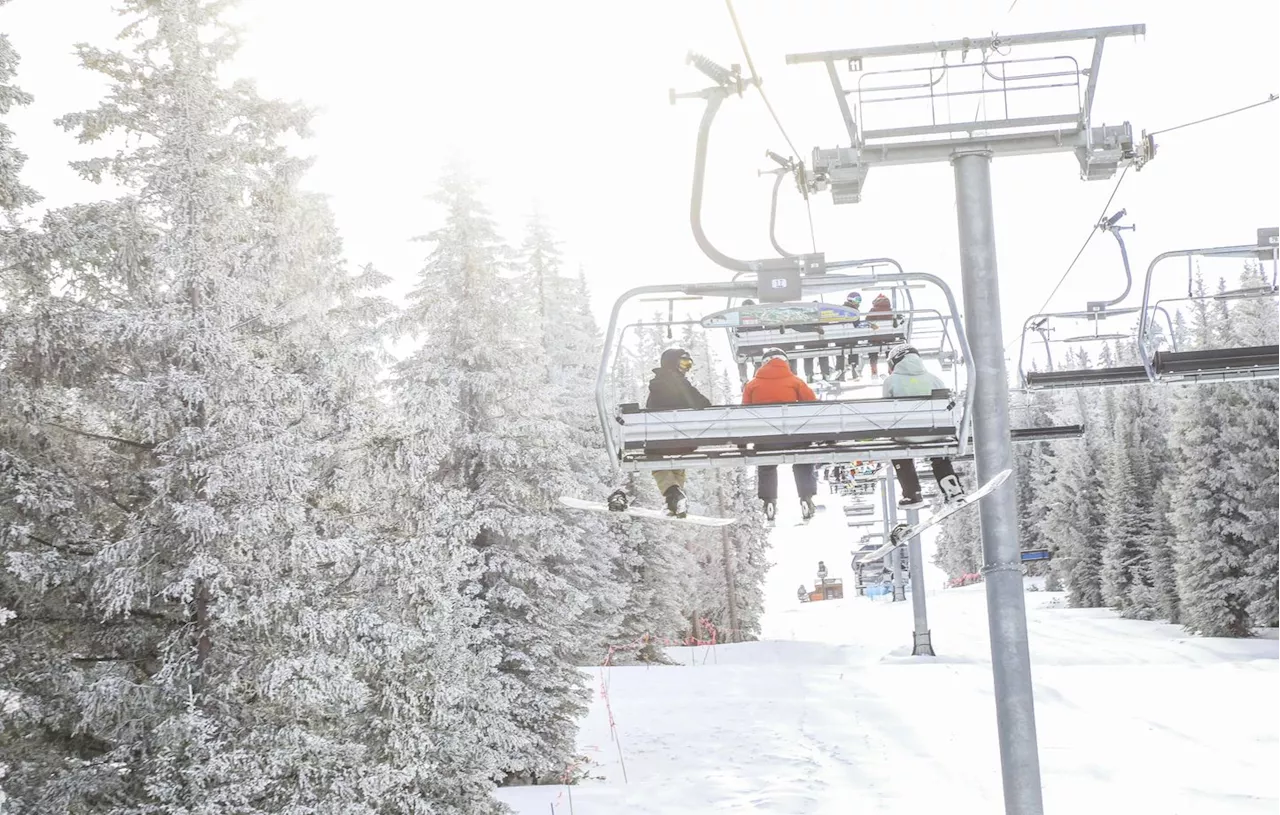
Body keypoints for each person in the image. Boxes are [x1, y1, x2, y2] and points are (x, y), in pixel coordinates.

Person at [882, 344, 965, 508]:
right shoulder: (935, 379)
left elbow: (886, 411)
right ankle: (953, 490)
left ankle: (912, 494)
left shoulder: (890, 381)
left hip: (906, 435)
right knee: (939, 451)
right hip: (937, 432)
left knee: (899, 451)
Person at [742, 347, 819, 521]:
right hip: (794, 438)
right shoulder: (795, 381)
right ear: (785, 362)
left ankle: (769, 501)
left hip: (766, 440)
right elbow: (813, 405)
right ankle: (806, 497)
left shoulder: (752, 384)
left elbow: (744, 412)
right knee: (802, 461)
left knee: (767, 465)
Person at [646, 347, 711, 517]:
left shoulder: (655, 386)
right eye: (683, 363)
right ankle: (675, 499)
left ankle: (674, 497)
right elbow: (704, 403)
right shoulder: (683, 386)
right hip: (683, 442)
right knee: (677, 461)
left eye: (689, 363)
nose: (686, 367)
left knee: (659, 463)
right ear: (672, 364)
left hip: (659, 443)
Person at [865, 292, 897, 377]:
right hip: (889, 338)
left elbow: (867, 322)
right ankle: (891, 370)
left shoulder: (873, 311)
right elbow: (896, 325)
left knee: (873, 352)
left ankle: (874, 371)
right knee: (890, 352)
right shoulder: (892, 311)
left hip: (875, 338)